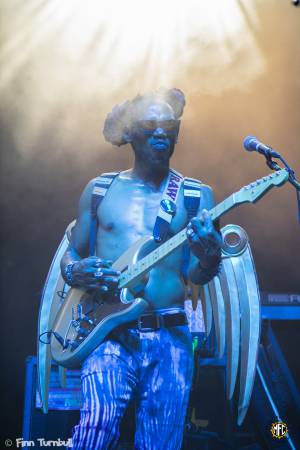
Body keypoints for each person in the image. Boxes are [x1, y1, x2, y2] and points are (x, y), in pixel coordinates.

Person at [61, 88, 222, 450]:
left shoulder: (196, 196)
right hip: (108, 334)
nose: (162, 132)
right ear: (130, 132)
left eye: (169, 125)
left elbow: (196, 274)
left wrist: (210, 256)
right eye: (150, 124)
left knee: (161, 443)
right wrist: (75, 271)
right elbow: (72, 251)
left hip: (170, 334)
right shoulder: (100, 189)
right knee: (94, 430)